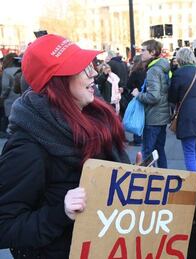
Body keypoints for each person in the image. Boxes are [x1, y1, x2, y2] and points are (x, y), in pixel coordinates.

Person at [0, 34, 130, 259]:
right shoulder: (28, 147)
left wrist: (132, 174)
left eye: (90, 65)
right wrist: (61, 212)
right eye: (82, 68)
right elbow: (6, 227)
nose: (94, 73)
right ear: (56, 83)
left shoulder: (98, 121)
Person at [168, 48, 196, 172]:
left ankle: (194, 185)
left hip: (187, 118)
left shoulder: (179, 74)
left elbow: (172, 97)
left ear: (180, 59)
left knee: (189, 152)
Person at [132, 39, 170, 168]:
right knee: (160, 150)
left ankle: (143, 182)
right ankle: (164, 178)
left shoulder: (153, 70)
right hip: (162, 116)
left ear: (153, 52)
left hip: (153, 117)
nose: (141, 53)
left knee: (147, 152)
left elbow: (154, 97)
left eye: (143, 50)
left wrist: (138, 95)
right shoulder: (163, 67)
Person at [126, 55, 147, 146]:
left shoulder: (135, 72)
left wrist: (133, 89)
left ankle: (137, 139)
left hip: (137, 96)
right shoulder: (147, 71)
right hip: (146, 96)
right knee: (144, 117)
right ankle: (143, 138)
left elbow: (129, 84)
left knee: (136, 116)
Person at [0, 53, 20, 138]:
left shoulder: (6, 71)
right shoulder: (20, 70)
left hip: (9, 99)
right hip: (19, 98)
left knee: (8, 119)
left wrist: (2, 97)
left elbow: (5, 87)